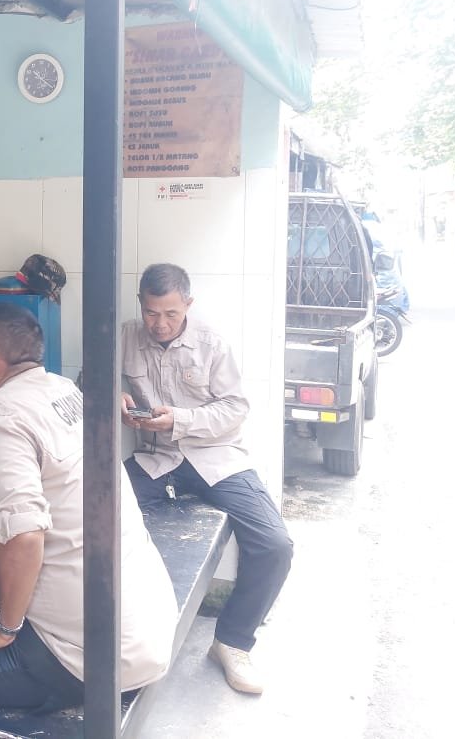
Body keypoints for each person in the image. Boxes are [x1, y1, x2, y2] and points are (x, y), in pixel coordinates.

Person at [0, 304, 177, 738]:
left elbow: (22, 537)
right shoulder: (60, 391)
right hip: (141, 620)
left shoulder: (0, 415)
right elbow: (18, 459)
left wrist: (5, 626)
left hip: (87, 656)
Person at [121, 263, 294, 695]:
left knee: (275, 546)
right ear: (140, 304)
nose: (160, 324)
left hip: (216, 458)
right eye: (151, 313)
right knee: (93, 513)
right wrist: (113, 396)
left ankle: (232, 642)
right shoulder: (125, 337)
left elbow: (235, 408)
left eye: (171, 314)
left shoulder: (211, 344)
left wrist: (179, 419)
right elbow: (88, 382)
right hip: (157, 460)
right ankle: (110, 629)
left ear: (188, 305)